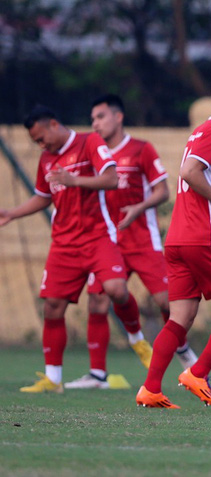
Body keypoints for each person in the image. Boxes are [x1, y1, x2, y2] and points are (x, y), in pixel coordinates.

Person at [135, 67, 211, 409]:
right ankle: (198, 373)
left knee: (181, 318)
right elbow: (189, 173)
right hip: (204, 237)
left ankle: (150, 389)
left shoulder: (200, 133)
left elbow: (197, 177)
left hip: (178, 238)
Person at [1, 105, 140, 393]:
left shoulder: (89, 142)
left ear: (54, 124)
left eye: (42, 138)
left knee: (116, 289)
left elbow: (112, 178)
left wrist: (75, 180)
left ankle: (136, 336)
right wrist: (12, 213)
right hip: (64, 244)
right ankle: (53, 379)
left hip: (98, 237)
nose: (41, 145)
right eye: (36, 142)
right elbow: (42, 197)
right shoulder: (46, 159)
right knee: (52, 307)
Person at [66, 94, 198, 390]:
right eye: (92, 119)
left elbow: (163, 191)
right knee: (98, 301)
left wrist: (138, 208)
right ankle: (98, 374)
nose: (95, 123)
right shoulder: (91, 153)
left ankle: (182, 348)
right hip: (107, 241)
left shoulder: (141, 149)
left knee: (167, 300)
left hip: (143, 241)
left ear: (118, 117)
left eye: (100, 117)